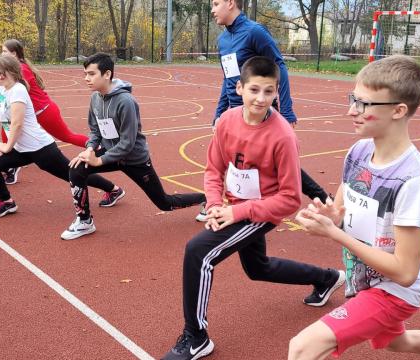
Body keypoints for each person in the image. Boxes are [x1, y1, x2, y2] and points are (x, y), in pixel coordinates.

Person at [288, 56, 420, 360]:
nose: (352, 110)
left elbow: (404, 272)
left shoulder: (414, 181)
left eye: (364, 104)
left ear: (398, 110)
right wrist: (332, 218)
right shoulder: (359, 151)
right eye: (353, 99)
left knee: (303, 347)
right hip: (363, 280)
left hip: (394, 292)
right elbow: (343, 205)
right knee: (396, 341)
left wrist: (335, 236)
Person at [160, 56, 345, 360]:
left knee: (198, 251)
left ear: (277, 91)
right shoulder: (227, 121)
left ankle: (196, 336)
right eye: (254, 90)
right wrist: (215, 204)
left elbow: (289, 198)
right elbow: (213, 170)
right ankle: (326, 278)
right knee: (257, 268)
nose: (261, 99)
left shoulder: (283, 136)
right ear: (240, 88)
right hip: (234, 205)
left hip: (263, 210)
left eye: (269, 91)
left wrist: (236, 213)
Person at [63, 53, 207, 240]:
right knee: (77, 168)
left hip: (134, 159)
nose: (86, 79)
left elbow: (127, 143)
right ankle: (84, 221)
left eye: (91, 74)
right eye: (85, 74)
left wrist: (99, 160)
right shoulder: (95, 98)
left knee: (164, 203)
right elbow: (95, 130)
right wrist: (90, 149)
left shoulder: (126, 102)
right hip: (111, 153)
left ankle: (205, 199)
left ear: (107, 74)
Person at [211, 0, 329, 203]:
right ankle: (323, 199)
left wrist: (287, 109)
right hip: (236, 114)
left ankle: (323, 199)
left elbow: (279, 66)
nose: (212, 10)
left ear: (230, 3)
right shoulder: (223, 40)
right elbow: (229, 78)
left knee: (267, 161)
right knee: (240, 160)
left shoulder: (254, 32)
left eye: (215, 3)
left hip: (259, 110)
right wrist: (219, 112)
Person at [0, 55, 121, 219]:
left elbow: (16, 124)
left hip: (40, 148)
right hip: (20, 148)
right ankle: (6, 202)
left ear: (10, 72)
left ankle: (113, 189)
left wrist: (6, 147)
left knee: (70, 174)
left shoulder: (18, 90)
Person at [0, 39, 91, 185]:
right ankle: (11, 167)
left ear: (14, 53)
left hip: (45, 111)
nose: (1, 54)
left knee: (67, 136)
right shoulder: (16, 68)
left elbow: (20, 90)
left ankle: (97, 146)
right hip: (34, 113)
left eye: (4, 51)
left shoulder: (21, 69)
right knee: (6, 132)